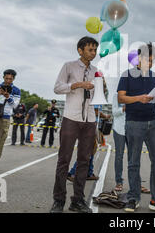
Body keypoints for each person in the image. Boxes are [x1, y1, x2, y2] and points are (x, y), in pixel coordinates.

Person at [117, 42, 155, 213]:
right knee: (133, 162)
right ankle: (133, 198)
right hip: (134, 122)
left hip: (154, 121)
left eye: (152, 60)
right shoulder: (127, 75)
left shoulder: (154, 76)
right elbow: (121, 98)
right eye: (148, 60)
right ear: (140, 58)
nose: (150, 63)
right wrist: (138, 98)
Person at [50, 36, 99, 213]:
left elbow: (98, 96)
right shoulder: (68, 66)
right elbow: (57, 87)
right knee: (64, 160)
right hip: (71, 118)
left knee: (84, 161)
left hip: (90, 119)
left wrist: (102, 87)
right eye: (90, 49)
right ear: (80, 50)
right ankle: (58, 201)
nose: (93, 53)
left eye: (95, 50)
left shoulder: (96, 70)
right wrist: (77, 85)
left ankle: (77, 200)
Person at [66, 106, 110, 181]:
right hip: (89, 126)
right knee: (87, 151)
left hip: (92, 126)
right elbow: (94, 111)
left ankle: (89, 172)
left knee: (91, 151)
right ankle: (73, 172)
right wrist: (105, 116)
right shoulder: (95, 96)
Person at [112, 92, 126, 191]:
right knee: (119, 156)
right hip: (119, 129)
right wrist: (124, 108)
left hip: (133, 129)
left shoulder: (136, 94)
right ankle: (119, 182)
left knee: (134, 158)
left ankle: (136, 183)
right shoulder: (116, 95)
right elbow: (114, 112)